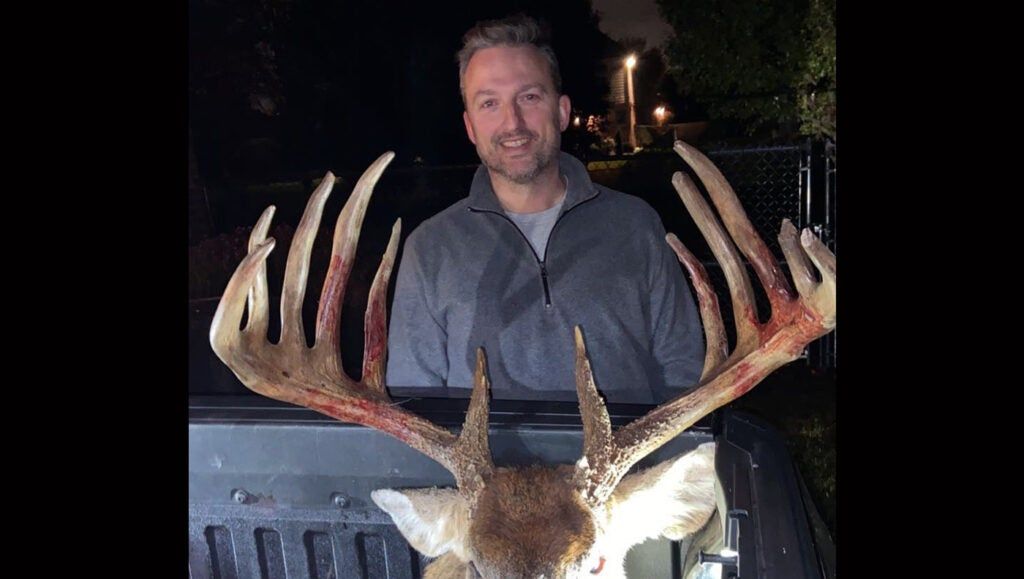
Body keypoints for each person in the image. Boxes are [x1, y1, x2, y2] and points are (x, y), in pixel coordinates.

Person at [386, 15, 704, 404]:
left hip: (627, 465)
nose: (512, 123)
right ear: (470, 127)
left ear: (562, 111)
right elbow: (414, 408)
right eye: (490, 103)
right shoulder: (431, 249)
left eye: (530, 97)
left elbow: (684, 373)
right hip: (488, 467)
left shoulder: (635, 225)